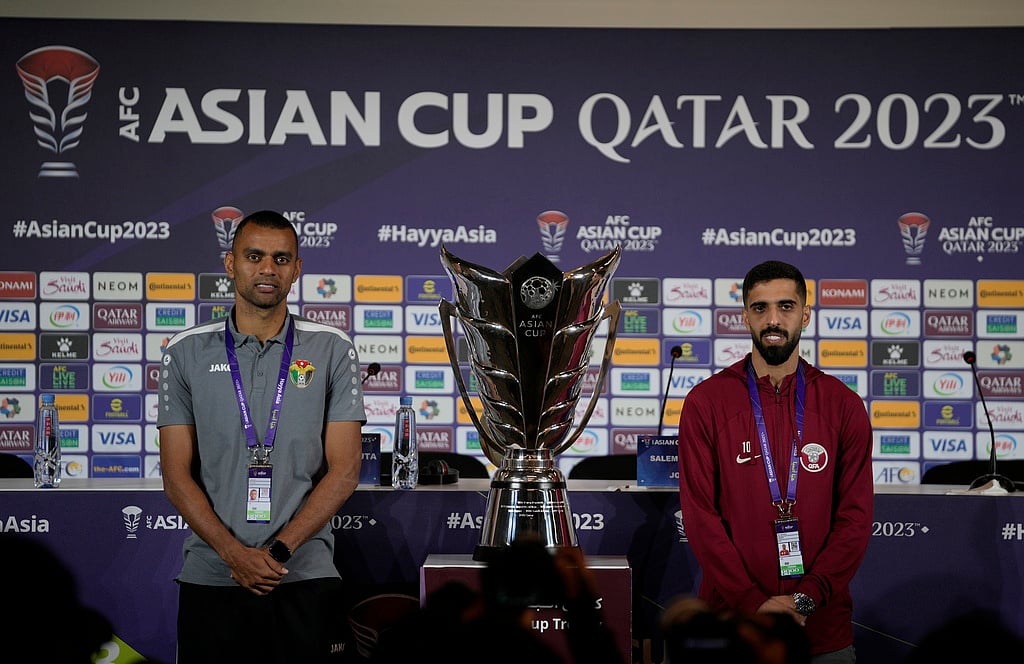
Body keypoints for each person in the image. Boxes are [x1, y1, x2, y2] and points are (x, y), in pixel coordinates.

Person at [158, 210, 367, 663]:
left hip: (303, 573)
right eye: (254, 256)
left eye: (281, 258)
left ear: (297, 268)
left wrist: (276, 552)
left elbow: (346, 470)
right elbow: (175, 477)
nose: (268, 268)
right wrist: (233, 555)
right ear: (230, 264)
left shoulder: (332, 348)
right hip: (213, 574)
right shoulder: (184, 350)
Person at [676, 260, 873, 663]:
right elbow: (700, 516)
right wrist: (753, 601)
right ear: (744, 316)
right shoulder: (706, 402)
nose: (773, 320)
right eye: (760, 307)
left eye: (786, 306)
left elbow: (855, 519)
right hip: (732, 627)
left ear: (805, 314)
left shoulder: (843, 405)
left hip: (821, 631)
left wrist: (809, 596)